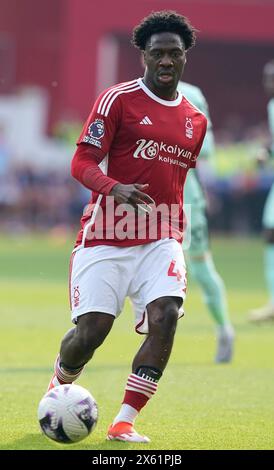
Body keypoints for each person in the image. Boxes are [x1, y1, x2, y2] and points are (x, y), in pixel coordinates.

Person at [47, 10, 207, 443]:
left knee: (166, 315)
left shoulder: (196, 120)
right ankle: (59, 386)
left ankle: (124, 422)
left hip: (164, 235)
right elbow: (81, 162)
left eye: (175, 53)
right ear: (144, 56)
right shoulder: (117, 100)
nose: (166, 61)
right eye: (158, 54)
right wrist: (113, 187)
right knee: (91, 331)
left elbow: (175, 182)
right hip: (108, 233)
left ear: (185, 57)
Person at [177, 81, 235, 362]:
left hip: (187, 200)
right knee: (141, 268)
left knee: (199, 269)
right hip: (146, 200)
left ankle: (224, 330)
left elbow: (207, 149)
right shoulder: (132, 93)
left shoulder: (192, 95)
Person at [249, 60, 274, 322]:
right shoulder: (272, 106)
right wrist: (266, 152)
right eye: (268, 78)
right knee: (270, 235)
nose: (269, 83)